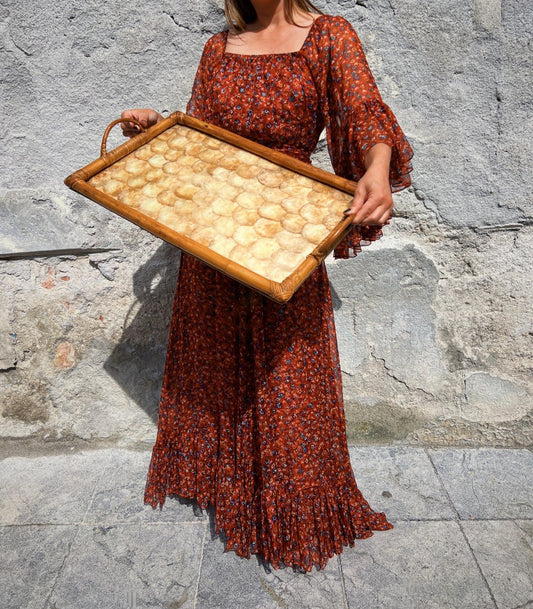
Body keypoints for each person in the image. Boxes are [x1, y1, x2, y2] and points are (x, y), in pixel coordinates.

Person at [122, 0, 413, 572]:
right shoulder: (218, 47)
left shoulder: (328, 36)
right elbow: (201, 139)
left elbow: (364, 112)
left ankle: (296, 505)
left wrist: (376, 169)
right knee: (216, 358)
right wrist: (157, 130)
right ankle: (224, 479)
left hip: (287, 231)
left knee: (289, 374)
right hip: (216, 234)